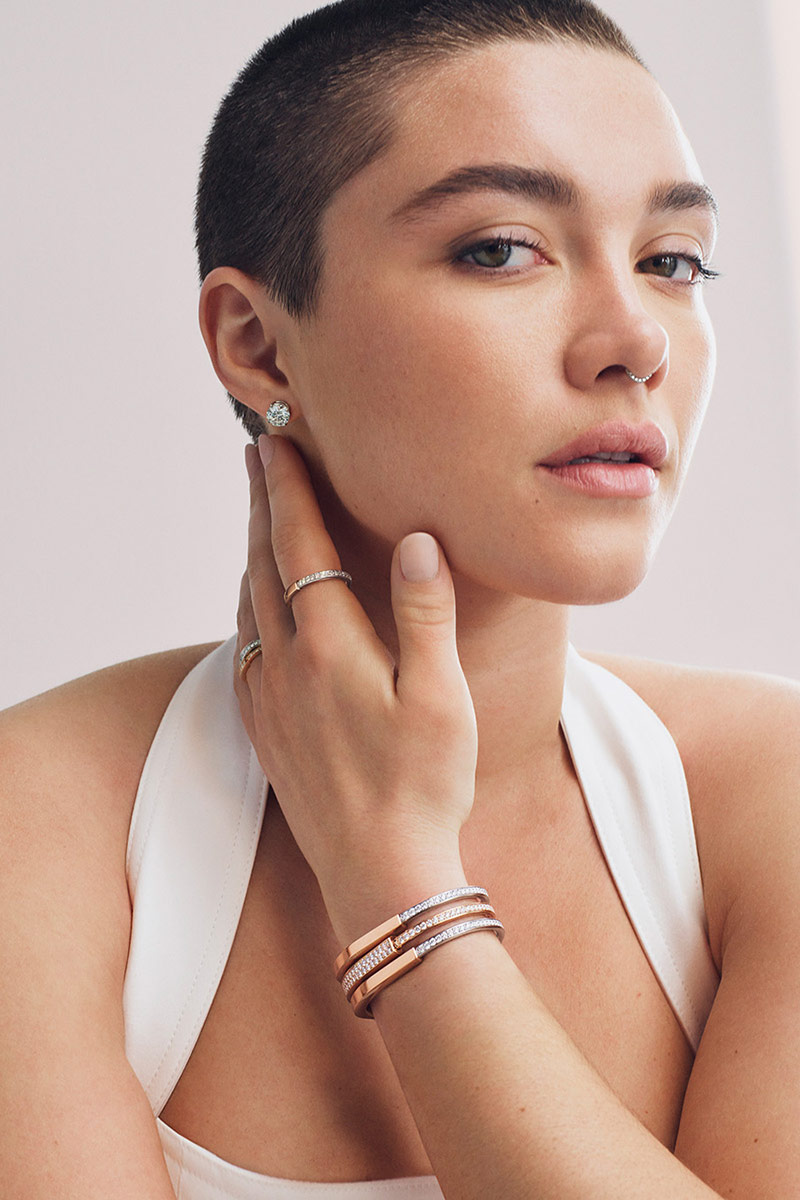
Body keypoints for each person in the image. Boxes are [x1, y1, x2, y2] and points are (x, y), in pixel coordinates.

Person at [2, 0, 798, 1196]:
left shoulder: (768, 802)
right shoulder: (37, 828)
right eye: (500, 249)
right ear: (257, 344)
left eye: (670, 260)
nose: (634, 340)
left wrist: (398, 880)